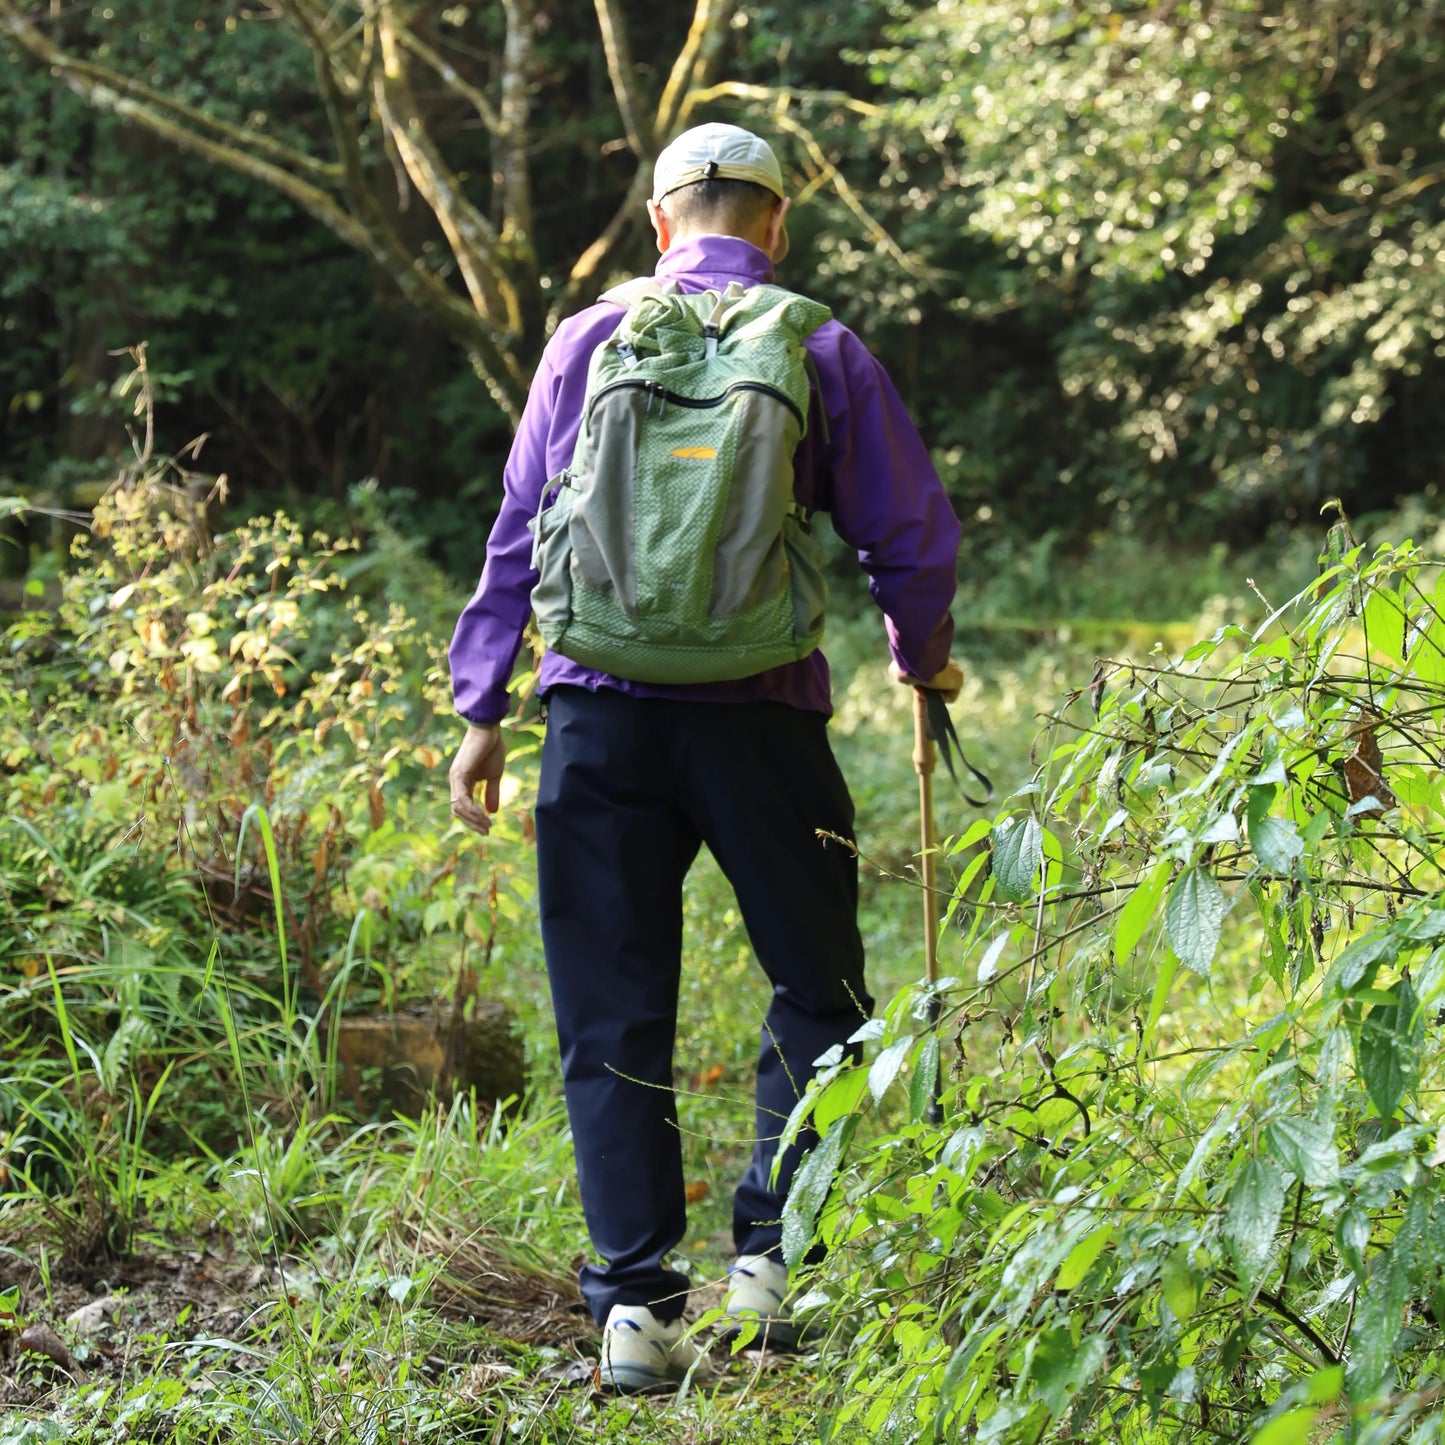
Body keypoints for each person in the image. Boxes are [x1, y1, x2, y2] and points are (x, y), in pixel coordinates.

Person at [447, 121, 962, 1394]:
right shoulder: (818, 347)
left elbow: (519, 522)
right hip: (761, 716)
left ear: (659, 222)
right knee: (819, 988)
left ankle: (632, 1306)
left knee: (610, 1009)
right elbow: (909, 533)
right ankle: (769, 1262)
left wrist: (481, 704)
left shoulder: (586, 340)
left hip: (596, 718)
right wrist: (920, 658)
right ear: (775, 224)